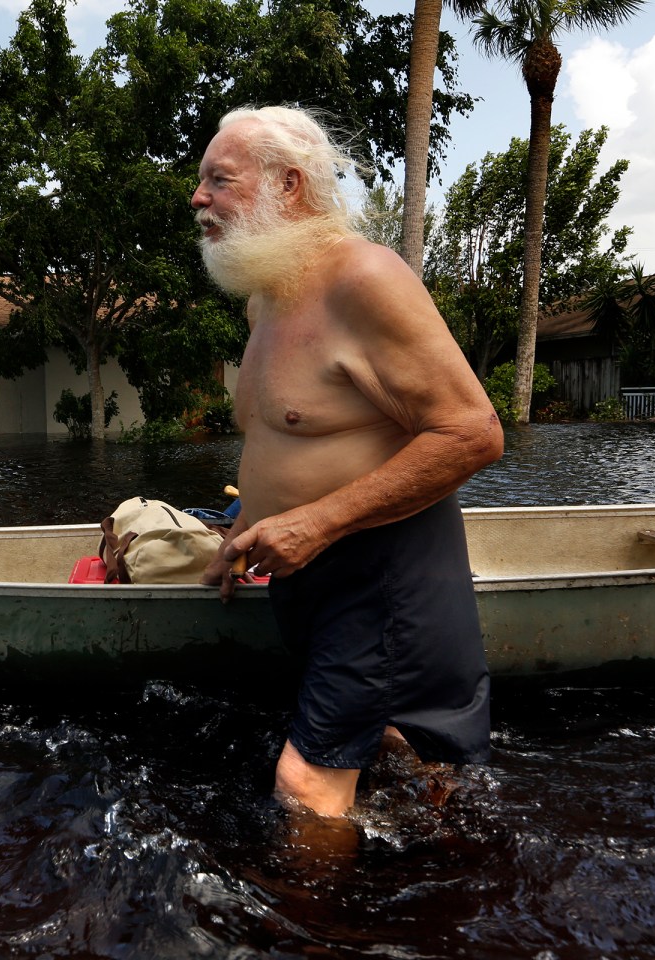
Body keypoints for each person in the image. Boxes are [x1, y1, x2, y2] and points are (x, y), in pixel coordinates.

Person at [192, 106, 504, 820]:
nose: (198, 197)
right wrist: (244, 526)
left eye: (219, 180)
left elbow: (474, 433)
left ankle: (315, 935)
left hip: (378, 575)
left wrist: (316, 522)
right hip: (313, 580)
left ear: (289, 185)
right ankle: (433, 907)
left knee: (306, 787)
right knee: (405, 764)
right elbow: (295, 439)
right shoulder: (268, 297)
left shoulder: (364, 277)